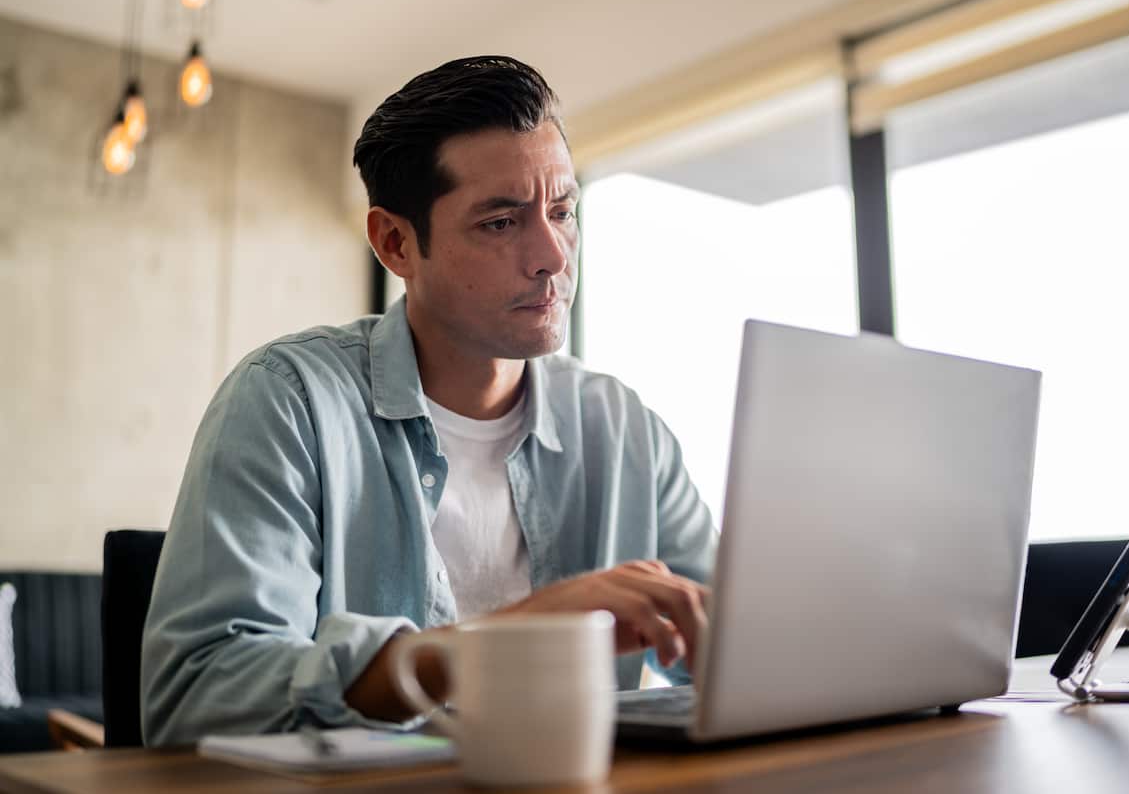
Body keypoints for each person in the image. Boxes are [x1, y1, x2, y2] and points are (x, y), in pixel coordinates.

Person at [140, 56, 718, 746]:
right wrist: (503, 640)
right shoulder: (287, 400)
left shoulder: (626, 430)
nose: (553, 256)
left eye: (563, 211)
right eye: (501, 223)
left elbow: (736, 651)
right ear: (395, 243)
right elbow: (197, 697)